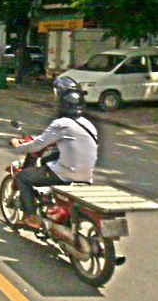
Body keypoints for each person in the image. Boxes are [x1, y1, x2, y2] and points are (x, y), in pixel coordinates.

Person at [10, 75, 99, 226]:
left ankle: (31, 217)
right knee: (49, 159)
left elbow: (37, 145)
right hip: (86, 175)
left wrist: (19, 146)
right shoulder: (88, 125)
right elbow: (75, 144)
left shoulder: (61, 124)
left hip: (65, 174)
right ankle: (49, 203)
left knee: (23, 177)